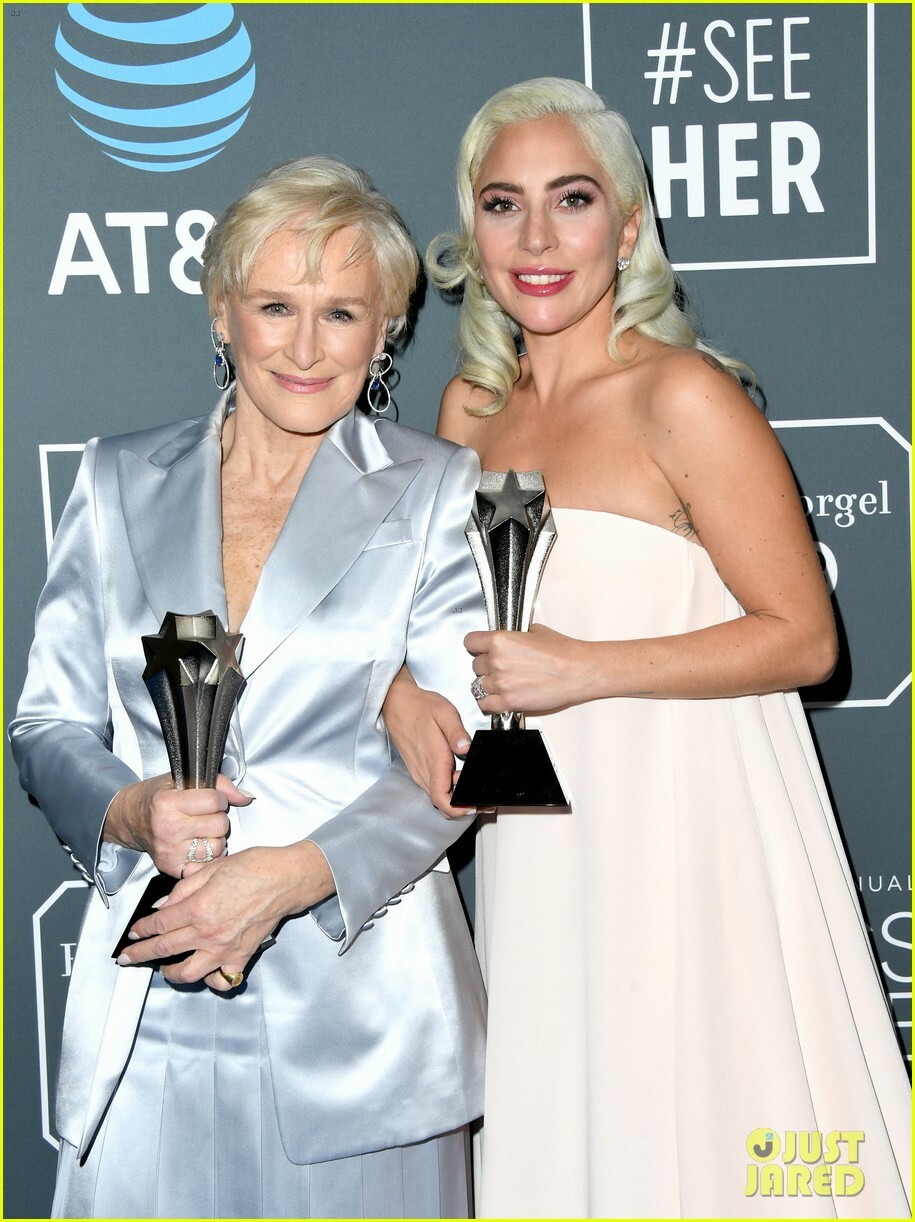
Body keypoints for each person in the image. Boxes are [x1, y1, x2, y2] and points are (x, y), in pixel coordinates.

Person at [382, 78, 912, 1218]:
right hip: (539, 848)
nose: (535, 238)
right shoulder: (469, 414)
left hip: (683, 827)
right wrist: (399, 694)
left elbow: (807, 640)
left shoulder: (684, 395)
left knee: (708, 1112)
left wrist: (586, 668)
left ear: (626, 228)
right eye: (503, 203)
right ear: (471, 230)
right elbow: (431, 625)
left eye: (571, 200)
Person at [10, 157, 488, 1220]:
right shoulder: (117, 477)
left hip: (361, 1004)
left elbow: (468, 754)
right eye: (275, 306)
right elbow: (46, 722)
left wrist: (292, 876)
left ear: (385, 333)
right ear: (222, 313)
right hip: (154, 989)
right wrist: (129, 807)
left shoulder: (438, 487)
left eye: (341, 313)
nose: (305, 347)